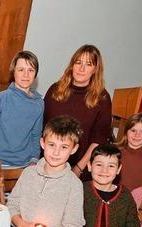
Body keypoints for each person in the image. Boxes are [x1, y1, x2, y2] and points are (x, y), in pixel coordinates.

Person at [44, 44, 112, 180]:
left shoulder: (102, 98)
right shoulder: (55, 90)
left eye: (88, 64)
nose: (81, 68)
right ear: (72, 65)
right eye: (78, 62)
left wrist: (79, 168)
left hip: (79, 168)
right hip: (47, 163)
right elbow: (42, 128)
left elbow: (98, 139)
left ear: (95, 70)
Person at [0, 50, 44, 168]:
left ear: (35, 74)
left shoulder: (39, 103)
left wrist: (34, 159)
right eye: (21, 70)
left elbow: (36, 134)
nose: (26, 75)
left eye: (30, 70)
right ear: (13, 72)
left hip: (25, 165)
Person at [115, 112, 142, 191]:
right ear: (126, 131)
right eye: (133, 130)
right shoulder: (115, 152)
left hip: (139, 198)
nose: (137, 135)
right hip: (117, 196)